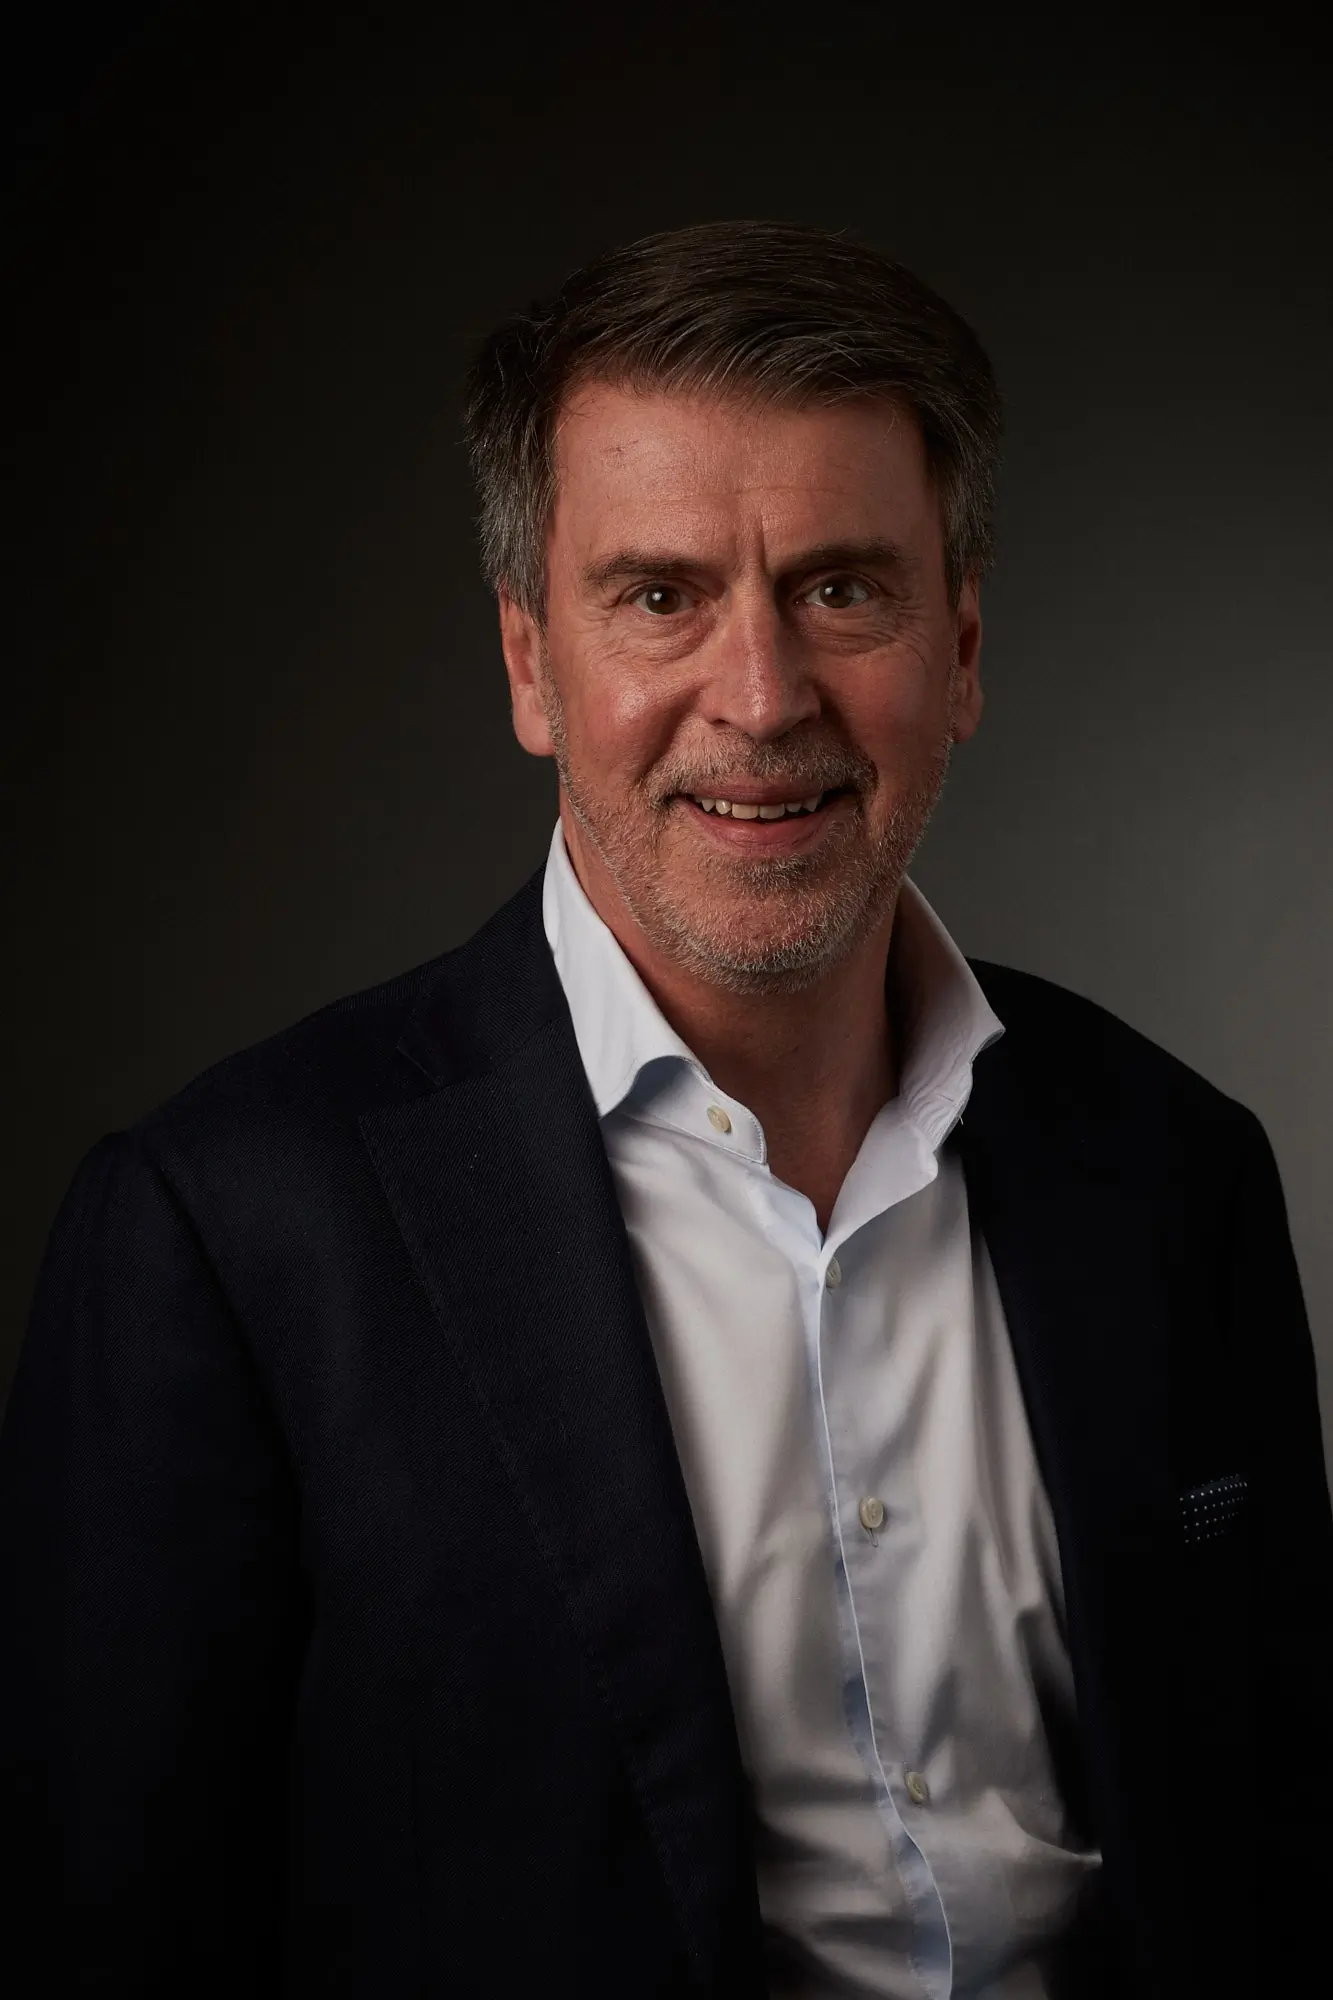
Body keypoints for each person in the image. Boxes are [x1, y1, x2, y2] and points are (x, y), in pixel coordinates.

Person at [1, 220, 1329, 2000]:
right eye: (659, 596)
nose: (761, 698)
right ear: (530, 662)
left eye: (842, 590)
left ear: (962, 644)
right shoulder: (224, 1235)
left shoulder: (1176, 1170)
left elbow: (1281, 1846)